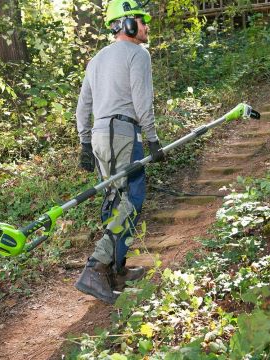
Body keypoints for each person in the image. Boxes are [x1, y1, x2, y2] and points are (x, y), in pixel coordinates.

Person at [74, 0, 165, 304]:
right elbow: (142, 102)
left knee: (115, 199)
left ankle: (117, 269)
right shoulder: (138, 54)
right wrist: (152, 139)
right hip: (123, 134)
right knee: (130, 200)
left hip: (102, 136)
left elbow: (83, 105)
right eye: (141, 21)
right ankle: (96, 267)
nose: (147, 27)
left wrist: (85, 142)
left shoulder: (97, 58)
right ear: (126, 24)